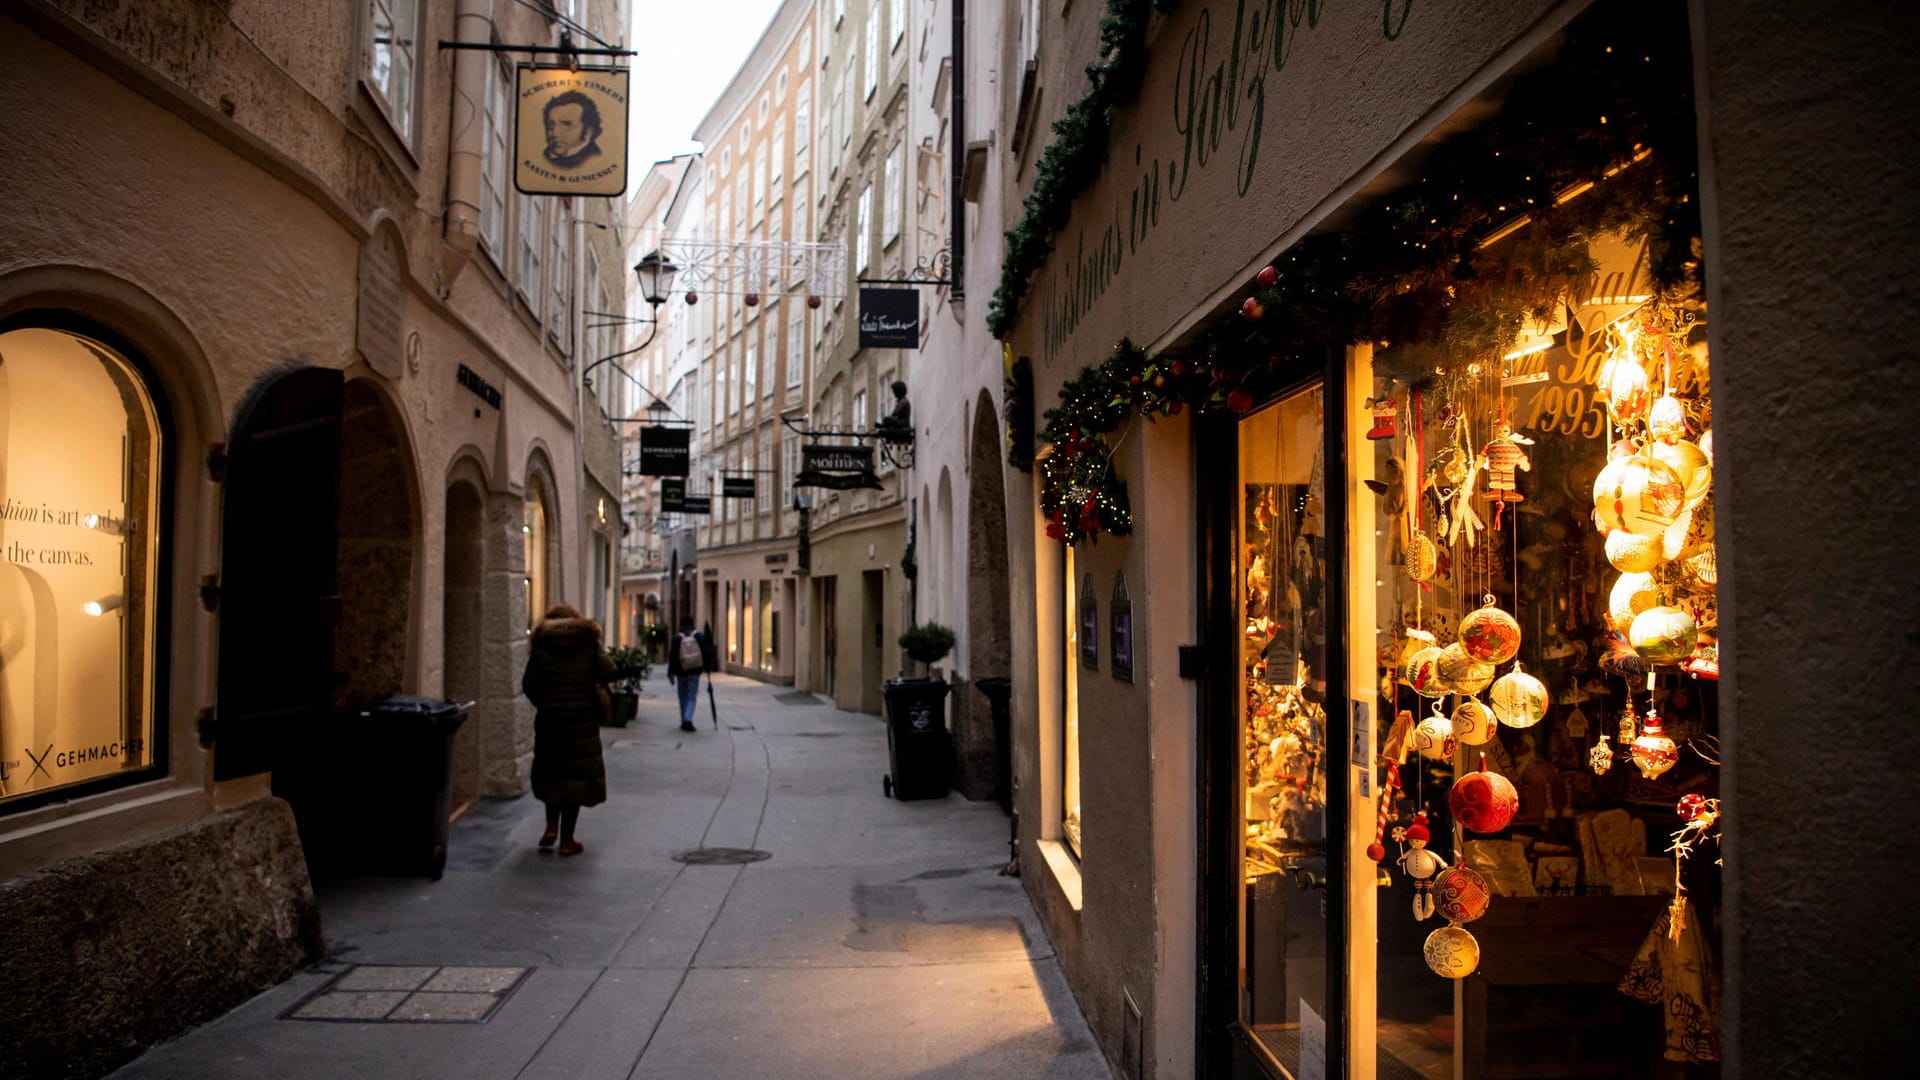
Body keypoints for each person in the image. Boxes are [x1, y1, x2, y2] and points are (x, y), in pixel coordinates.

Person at [521, 603, 611, 856]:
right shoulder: (586, 644)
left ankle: (551, 826)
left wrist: (546, 703)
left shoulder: (541, 648)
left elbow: (528, 684)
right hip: (582, 721)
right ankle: (567, 840)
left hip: (550, 721)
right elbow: (609, 670)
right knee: (576, 778)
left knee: (553, 772)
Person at [666, 615, 717, 732]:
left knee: (682, 696)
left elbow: (672, 657)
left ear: (681, 626)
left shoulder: (676, 639)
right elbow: (706, 653)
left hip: (681, 672)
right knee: (691, 697)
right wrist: (708, 669)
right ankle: (688, 719)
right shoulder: (699, 637)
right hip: (694, 671)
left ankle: (684, 719)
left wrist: (671, 673)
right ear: (693, 625)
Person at [541, 90, 603, 169]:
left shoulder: (594, 159)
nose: (555, 133)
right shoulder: (545, 157)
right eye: (550, 126)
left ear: (588, 132)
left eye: (567, 125)